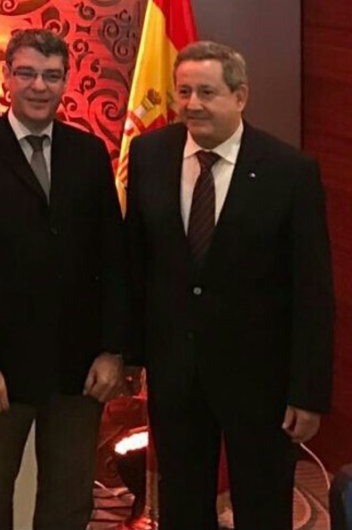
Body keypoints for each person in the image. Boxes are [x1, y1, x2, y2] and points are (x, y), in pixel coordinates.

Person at [126, 40, 334, 529]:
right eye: (184, 92)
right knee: (182, 505)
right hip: (176, 373)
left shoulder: (290, 171)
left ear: (240, 96)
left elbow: (312, 289)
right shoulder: (150, 154)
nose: (192, 104)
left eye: (207, 92)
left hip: (261, 379)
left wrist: (309, 392)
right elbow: (136, 261)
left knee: (263, 507)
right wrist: (130, 353)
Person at [0, 29, 127, 529]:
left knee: (69, 497)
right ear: (7, 78)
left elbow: (114, 259)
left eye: (51, 75)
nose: (39, 86)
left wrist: (113, 350)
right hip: (1, 366)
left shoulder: (90, 154)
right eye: (27, 73)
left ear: (65, 81)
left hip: (79, 366)